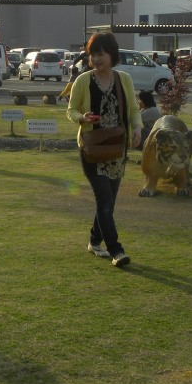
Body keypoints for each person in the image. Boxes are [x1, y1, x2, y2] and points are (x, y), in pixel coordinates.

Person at [66, 32, 142, 268]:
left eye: (100, 54)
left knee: (108, 203)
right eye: (92, 55)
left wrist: (138, 128)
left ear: (112, 55)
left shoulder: (124, 79)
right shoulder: (83, 81)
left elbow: (133, 110)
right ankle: (116, 250)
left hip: (117, 149)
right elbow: (71, 110)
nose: (96, 59)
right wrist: (83, 117)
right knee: (105, 201)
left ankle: (94, 240)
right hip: (92, 149)